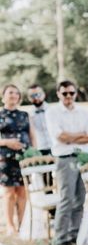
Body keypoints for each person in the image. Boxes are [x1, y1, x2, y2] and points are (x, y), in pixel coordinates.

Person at [45, 81, 88, 245]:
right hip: (65, 158)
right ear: (59, 94)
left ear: (75, 94)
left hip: (84, 158)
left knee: (80, 199)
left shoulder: (84, 112)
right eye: (65, 93)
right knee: (66, 198)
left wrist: (71, 137)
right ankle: (60, 238)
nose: (68, 96)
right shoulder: (52, 112)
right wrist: (79, 136)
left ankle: (75, 234)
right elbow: (60, 137)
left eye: (71, 93)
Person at [0, 84, 34, 236]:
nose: (13, 95)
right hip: (5, 159)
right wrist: (7, 142)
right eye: (10, 92)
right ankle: (10, 226)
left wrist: (34, 153)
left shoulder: (25, 115)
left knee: (22, 191)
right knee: (8, 193)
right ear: (3, 96)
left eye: (16, 93)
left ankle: (23, 223)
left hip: (24, 158)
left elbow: (32, 135)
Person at [27, 84, 52, 156]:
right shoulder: (28, 115)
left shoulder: (53, 111)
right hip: (40, 150)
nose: (36, 97)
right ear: (29, 98)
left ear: (44, 94)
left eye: (38, 94)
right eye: (32, 96)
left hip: (56, 147)